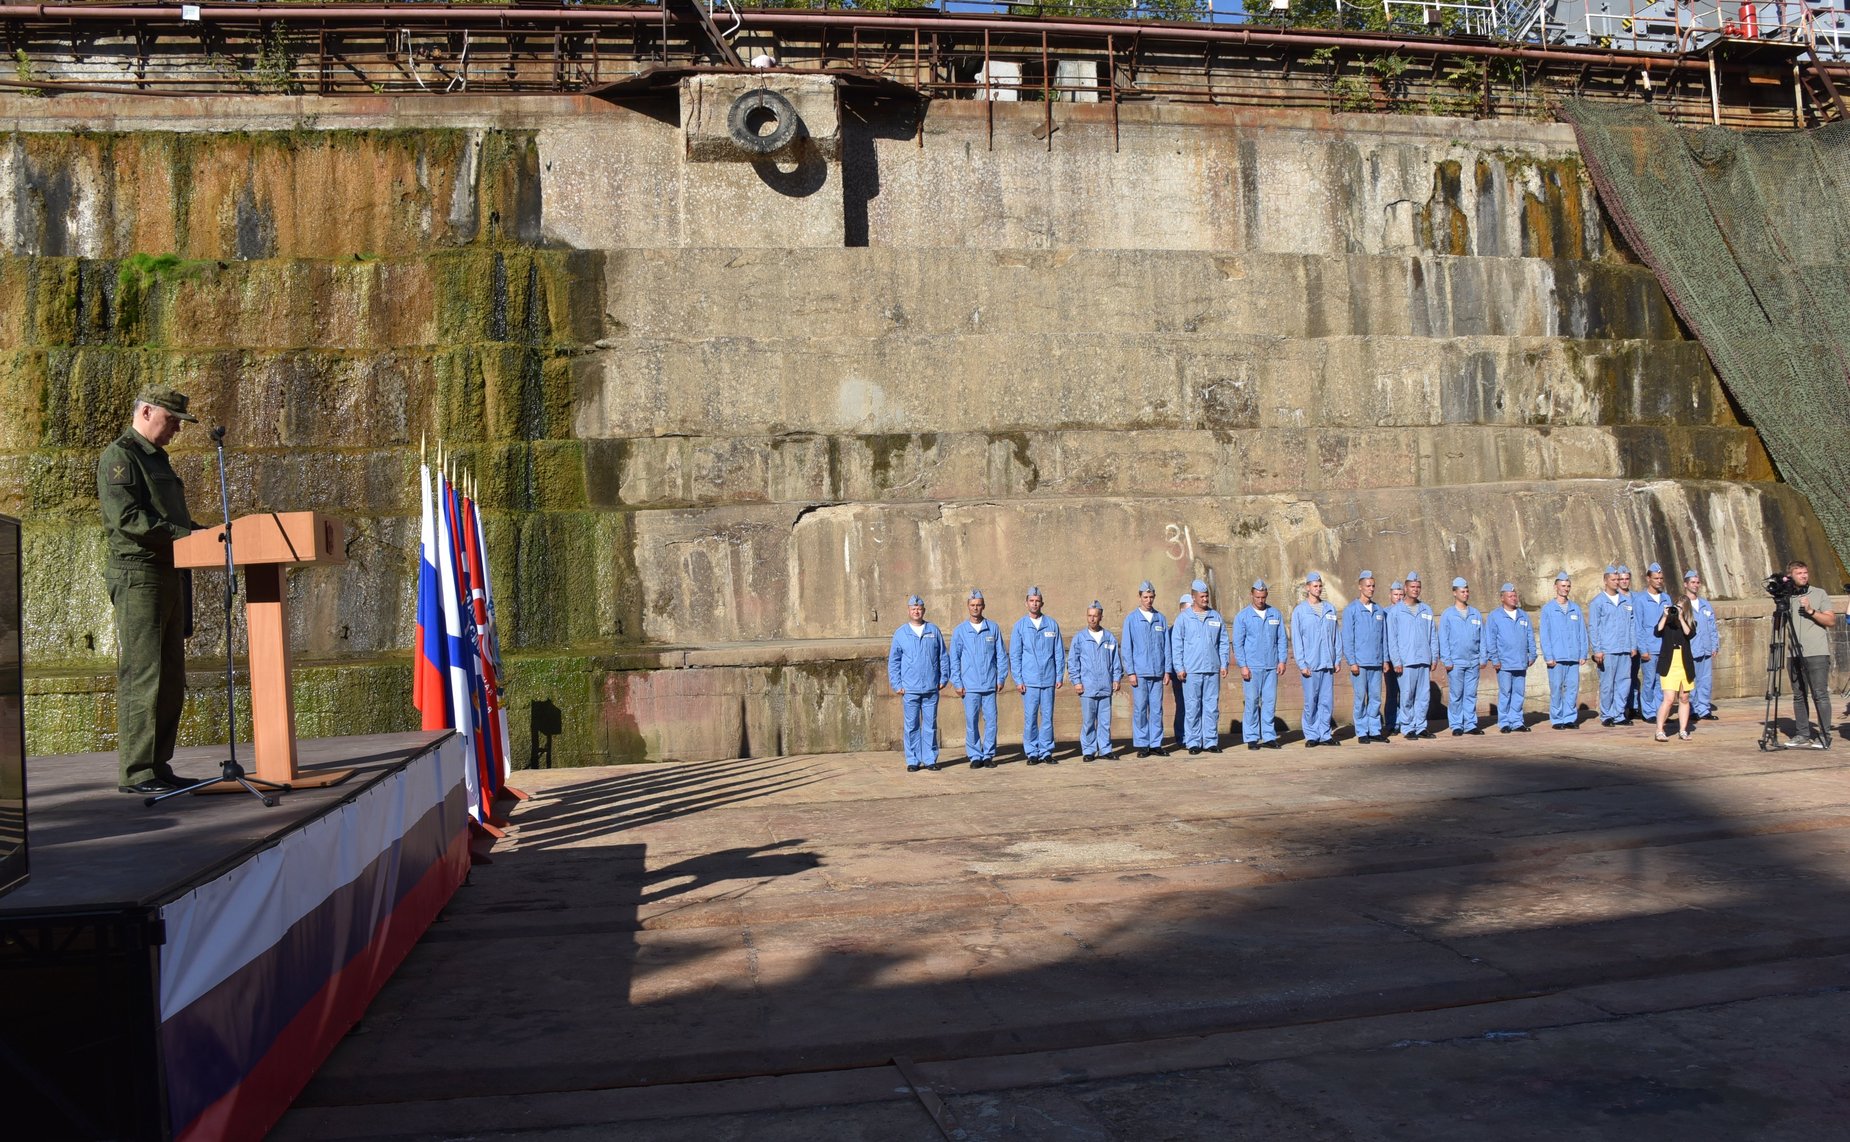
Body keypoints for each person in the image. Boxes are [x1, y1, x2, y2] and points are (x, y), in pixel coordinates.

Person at [99, 384, 202, 794]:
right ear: (146, 413)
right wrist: (184, 536)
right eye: (172, 420)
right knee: (145, 675)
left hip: (169, 572)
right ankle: (137, 771)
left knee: (171, 677)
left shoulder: (157, 458)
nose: (177, 428)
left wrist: (204, 535)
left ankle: (159, 764)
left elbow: (168, 517)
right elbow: (128, 519)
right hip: (139, 574)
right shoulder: (121, 457)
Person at [888, 594, 949, 772]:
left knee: (930, 725)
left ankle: (930, 758)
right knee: (912, 725)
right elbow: (894, 661)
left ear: (924, 610)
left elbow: (943, 656)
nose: (916, 611)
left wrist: (943, 677)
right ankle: (913, 759)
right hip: (910, 688)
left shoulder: (933, 630)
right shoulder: (901, 633)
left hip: (931, 687)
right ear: (909, 610)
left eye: (919, 608)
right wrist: (896, 683)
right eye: (913, 608)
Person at [1781, 560, 1838, 750]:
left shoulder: (1819, 593)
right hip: (1794, 653)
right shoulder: (1786, 597)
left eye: (1805, 572)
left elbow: (1830, 620)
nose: (1804, 576)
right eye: (1799, 573)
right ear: (1790, 576)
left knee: (1820, 695)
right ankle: (1802, 734)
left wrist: (1811, 611)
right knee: (1799, 696)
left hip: (1816, 653)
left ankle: (1824, 735)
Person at [948, 589, 1008, 769]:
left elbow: (1001, 656)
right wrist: (957, 682)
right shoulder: (960, 631)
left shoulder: (993, 628)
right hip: (970, 685)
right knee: (972, 721)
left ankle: (988, 754)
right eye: (972, 605)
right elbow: (954, 659)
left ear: (983, 606)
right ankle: (974, 755)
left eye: (978, 605)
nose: (975, 608)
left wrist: (1001, 678)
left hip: (989, 684)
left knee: (991, 721)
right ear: (968, 607)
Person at [1170, 578, 1230, 755]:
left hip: (1212, 669)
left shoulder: (1215, 616)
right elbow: (1177, 645)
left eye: (1206, 596)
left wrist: (1224, 662)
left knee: (1211, 707)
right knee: (1192, 707)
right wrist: (1179, 667)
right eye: (1202, 596)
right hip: (1192, 670)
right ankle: (1193, 742)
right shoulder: (1183, 619)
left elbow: (1223, 642)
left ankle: (1210, 741)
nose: (1205, 599)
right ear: (1193, 597)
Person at [1010, 586, 1065, 765]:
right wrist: (1018, 679)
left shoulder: (1051, 624)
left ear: (1042, 603)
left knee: (1047, 717)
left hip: (1048, 679)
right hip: (1030, 681)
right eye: (1031, 601)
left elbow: (1058, 652)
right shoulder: (1020, 626)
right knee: (1031, 718)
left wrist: (1059, 676)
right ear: (1026, 603)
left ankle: (1046, 751)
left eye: (1037, 601)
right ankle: (1032, 752)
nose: (1034, 604)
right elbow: (1015, 655)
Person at [1234, 579, 1287, 750]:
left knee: (1270, 702)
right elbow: (1238, 643)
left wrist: (1282, 660)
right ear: (1252, 595)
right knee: (1252, 702)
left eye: (1263, 597)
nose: (1260, 600)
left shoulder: (1275, 614)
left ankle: (1269, 736)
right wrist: (1242, 665)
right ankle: (1251, 737)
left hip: (1271, 665)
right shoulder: (1243, 617)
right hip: (1252, 667)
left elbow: (1281, 640)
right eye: (1257, 597)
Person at [1120, 580, 1172, 758]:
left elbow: (1167, 647)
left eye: (1151, 597)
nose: (1148, 600)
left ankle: (1156, 743)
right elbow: (1127, 647)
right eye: (1145, 597)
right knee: (1141, 709)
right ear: (1139, 597)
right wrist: (1131, 672)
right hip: (1140, 672)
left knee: (1157, 709)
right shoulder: (1131, 619)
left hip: (1157, 671)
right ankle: (1142, 744)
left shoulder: (1160, 618)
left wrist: (1167, 670)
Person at [1069, 601, 1124, 761]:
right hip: (1087, 687)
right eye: (1089, 616)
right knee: (1088, 721)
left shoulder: (1109, 638)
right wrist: (1076, 681)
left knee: (1105, 721)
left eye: (1095, 616)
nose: (1092, 619)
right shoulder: (1080, 638)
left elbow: (1115, 661)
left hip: (1105, 686)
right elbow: (1073, 662)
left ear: (1101, 617)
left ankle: (1105, 749)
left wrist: (1116, 678)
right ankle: (1088, 750)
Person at [1292, 572, 1341, 748]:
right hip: (1311, 664)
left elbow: (1336, 635)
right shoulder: (1300, 611)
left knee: (1326, 701)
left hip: (1327, 662)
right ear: (1307, 588)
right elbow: (1297, 639)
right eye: (1314, 586)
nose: (1318, 589)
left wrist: (1337, 658)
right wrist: (1301, 663)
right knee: (1311, 701)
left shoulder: (1330, 609)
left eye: (1320, 586)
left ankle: (1325, 734)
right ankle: (1311, 734)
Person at [1342, 570, 1390, 744]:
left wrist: (1385, 659)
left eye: (1373, 586)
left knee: (1376, 698)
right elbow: (1347, 637)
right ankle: (1362, 731)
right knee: (1361, 698)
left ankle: (1375, 729)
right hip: (1360, 663)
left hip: (1376, 662)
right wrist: (1352, 661)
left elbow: (1383, 637)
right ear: (1360, 587)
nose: (1371, 589)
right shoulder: (1351, 610)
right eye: (1368, 586)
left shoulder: (1379, 610)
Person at [1387, 573, 1438, 739]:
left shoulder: (1426, 609)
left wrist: (1434, 656)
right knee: (1407, 695)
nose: (1415, 590)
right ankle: (1408, 727)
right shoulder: (1396, 611)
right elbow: (1392, 639)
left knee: (1423, 695)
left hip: (1423, 658)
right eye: (1412, 587)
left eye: (1418, 587)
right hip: (1406, 660)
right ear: (1406, 588)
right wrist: (1396, 660)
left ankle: (1421, 726)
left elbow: (1432, 635)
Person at [1538, 571, 1588, 729]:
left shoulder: (1575, 608)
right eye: (1563, 586)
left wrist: (1583, 653)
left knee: (1572, 688)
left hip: (1573, 656)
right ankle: (1557, 719)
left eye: (1568, 586)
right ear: (1556, 587)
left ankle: (1569, 718)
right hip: (1557, 657)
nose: (1566, 589)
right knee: (1556, 689)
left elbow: (1582, 632)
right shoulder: (1548, 609)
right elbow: (1544, 634)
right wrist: (1548, 656)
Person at [1436, 577, 1484, 737]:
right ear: (1454, 593)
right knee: (1456, 694)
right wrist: (1446, 660)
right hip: (1456, 662)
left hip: (1473, 661)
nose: (1466, 594)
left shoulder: (1475, 613)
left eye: (1467, 591)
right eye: (1462, 591)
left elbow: (1482, 638)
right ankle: (1456, 724)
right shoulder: (1448, 615)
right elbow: (1443, 638)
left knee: (1471, 694)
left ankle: (1470, 723)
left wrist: (1483, 657)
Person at [1590, 565, 1637, 726]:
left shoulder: (1626, 600)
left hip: (1624, 648)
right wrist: (1597, 649)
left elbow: (1632, 624)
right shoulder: (1598, 602)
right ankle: (1607, 714)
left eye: (1618, 579)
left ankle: (1619, 714)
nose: (1617, 582)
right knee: (1607, 684)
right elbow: (1594, 627)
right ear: (1605, 580)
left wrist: (1633, 645)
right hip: (1608, 649)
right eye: (1613, 579)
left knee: (1624, 682)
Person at [1486, 582, 1536, 733]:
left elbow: (1529, 636)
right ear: (1502, 598)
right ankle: (1504, 722)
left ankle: (1517, 721)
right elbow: (1491, 639)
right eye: (1510, 596)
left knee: (1519, 693)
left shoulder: (1523, 615)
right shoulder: (1495, 616)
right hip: (1504, 662)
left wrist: (1532, 653)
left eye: (1515, 596)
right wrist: (1494, 658)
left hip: (1520, 661)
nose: (1514, 598)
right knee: (1505, 692)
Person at [1652, 598, 1698, 742]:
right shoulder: (1667, 621)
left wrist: (1681, 618)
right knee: (1669, 699)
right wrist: (1666, 616)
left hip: (1684, 662)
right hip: (1670, 662)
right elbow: (1657, 631)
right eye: (1676, 607)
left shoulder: (1690, 622)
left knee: (1684, 698)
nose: (1677, 609)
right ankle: (1659, 730)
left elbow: (1689, 634)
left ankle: (1683, 730)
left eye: (1681, 607)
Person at [1632, 563, 1671, 722]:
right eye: (1656, 578)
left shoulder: (1666, 598)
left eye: (1661, 578)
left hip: (1664, 646)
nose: (1659, 581)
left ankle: (1660, 711)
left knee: (1662, 682)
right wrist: (1643, 649)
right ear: (1648, 579)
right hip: (1649, 646)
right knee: (1649, 681)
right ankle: (1648, 712)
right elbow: (1638, 627)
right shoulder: (1641, 600)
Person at [1682, 570, 1720, 721]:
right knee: (1691, 680)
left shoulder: (1705, 604)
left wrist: (1714, 645)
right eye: (1693, 582)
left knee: (1705, 680)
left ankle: (1703, 709)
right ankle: (1691, 709)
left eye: (1697, 582)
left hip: (1705, 647)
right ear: (1686, 584)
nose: (1696, 585)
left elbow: (1712, 626)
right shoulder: (1682, 604)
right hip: (1690, 648)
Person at [1171, 590, 1191, 747]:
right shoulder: (1174, 629)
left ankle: (1195, 736)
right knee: (1182, 705)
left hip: (1195, 671)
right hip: (1179, 673)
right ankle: (1181, 736)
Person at [1384, 580, 1405, 725]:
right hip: (1390, 659)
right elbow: (1384, 637)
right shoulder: (1384, 612)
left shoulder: (1405, 611)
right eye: (1395, 594)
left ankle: (1404, 721)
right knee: (1392, 692)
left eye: (1401, 594)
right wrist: (1385, 658)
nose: (1398, 597)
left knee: (1405, 692)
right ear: (1390, 595)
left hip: (1404, 658)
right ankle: (1392, 723)